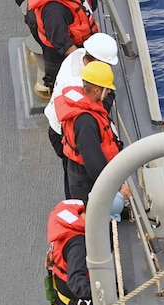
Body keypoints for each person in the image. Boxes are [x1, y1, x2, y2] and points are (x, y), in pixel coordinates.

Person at [45, 32, 119, 197]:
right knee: (81, 180)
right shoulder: (78, 83)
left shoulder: (78, 55)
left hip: (64, 129)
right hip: (64, 134)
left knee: (71, 172)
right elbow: (91, 154)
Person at [55, 60, 131, 206]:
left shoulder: (85, 104)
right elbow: (93, 162)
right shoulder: (86, 122)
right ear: (97, 90)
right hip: (85, 179)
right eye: (106, 89)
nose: (109, 92)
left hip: (78, 170)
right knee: (90, 219)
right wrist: (117, 187)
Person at [25, 0, 98, 95]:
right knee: (59, 83)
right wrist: (81, 62)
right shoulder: (54, 11)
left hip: (79, 40)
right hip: (58, 54)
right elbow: (61, 41)